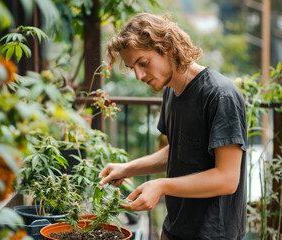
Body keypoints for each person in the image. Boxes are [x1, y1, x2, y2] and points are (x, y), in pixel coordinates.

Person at [99, 13, 247, 240]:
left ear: (166, 46)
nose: (138, 75)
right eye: (132, 68)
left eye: (143, 63)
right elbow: (178, 151)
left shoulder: (220, 94)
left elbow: (227, 179)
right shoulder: (171, 91)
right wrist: (127, 168)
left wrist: (161, 186)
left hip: (213, 234)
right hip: (175, 228)